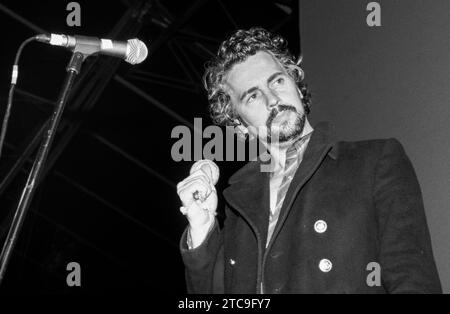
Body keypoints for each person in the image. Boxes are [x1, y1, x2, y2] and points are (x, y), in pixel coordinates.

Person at [176, 27, 442, 293]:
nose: (273, 100)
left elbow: (414, 282)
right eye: (253, 95)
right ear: (240, 125)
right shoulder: (239, 206)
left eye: (277, 81)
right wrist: (202, 229)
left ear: (297, 86)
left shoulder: (374, 161)